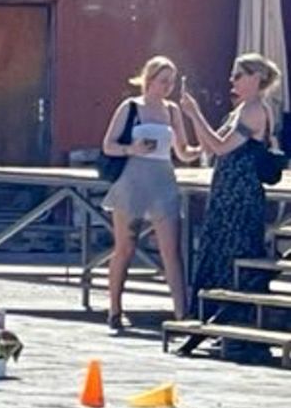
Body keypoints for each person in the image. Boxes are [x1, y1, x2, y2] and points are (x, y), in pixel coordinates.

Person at [177, 53, 282, 356]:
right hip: (226, 190)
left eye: (238, 75)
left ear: (255, 78)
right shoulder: (240, 110)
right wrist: (192, 117)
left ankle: (238, 328)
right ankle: (221, 325)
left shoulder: (254, 111)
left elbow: (223, 147)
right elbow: (210, 146)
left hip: (241, 194)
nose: (232, 81)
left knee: (234, 254)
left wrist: (196, 114)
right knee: (217, 253)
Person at [99, 55, 193, 334]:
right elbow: (108, 145)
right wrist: (132, 148)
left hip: (163, 178)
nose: (168, 86)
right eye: (163, 81)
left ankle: (180, 313)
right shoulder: (130, 107)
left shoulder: (172, 111)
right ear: (149, 80)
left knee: (171, 250)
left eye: (171, 81)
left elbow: (183, 151)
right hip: (133, 179)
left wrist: (203, 148)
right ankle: (115, 309)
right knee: (125, 247)